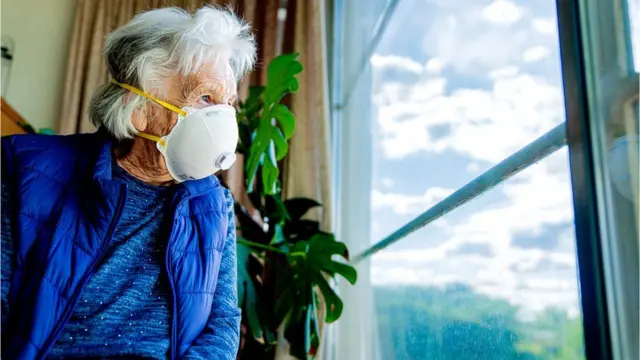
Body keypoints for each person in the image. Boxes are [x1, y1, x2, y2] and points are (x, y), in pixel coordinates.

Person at [1, 6, 255, 360]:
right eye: (205, 98)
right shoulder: (26, 171)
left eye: (228, 104)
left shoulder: (214, 203)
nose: (222, 120)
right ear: (138, 108)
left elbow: (222, 323)